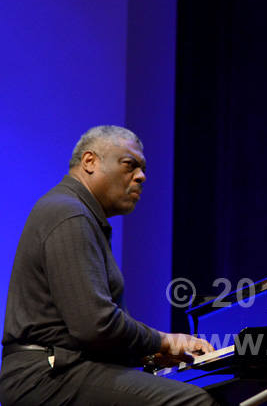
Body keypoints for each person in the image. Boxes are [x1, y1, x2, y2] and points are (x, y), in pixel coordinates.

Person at [0, 126, 219, 405]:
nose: (141, 176)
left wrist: (146, 354)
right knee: (194, 401)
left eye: (142, 169)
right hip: (46, 377)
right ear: (90, 162)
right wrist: (166, 341)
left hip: (60, 369)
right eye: (130, 165)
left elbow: (85, 331)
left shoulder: (77, 213)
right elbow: (96, 326)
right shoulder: (69, 213)